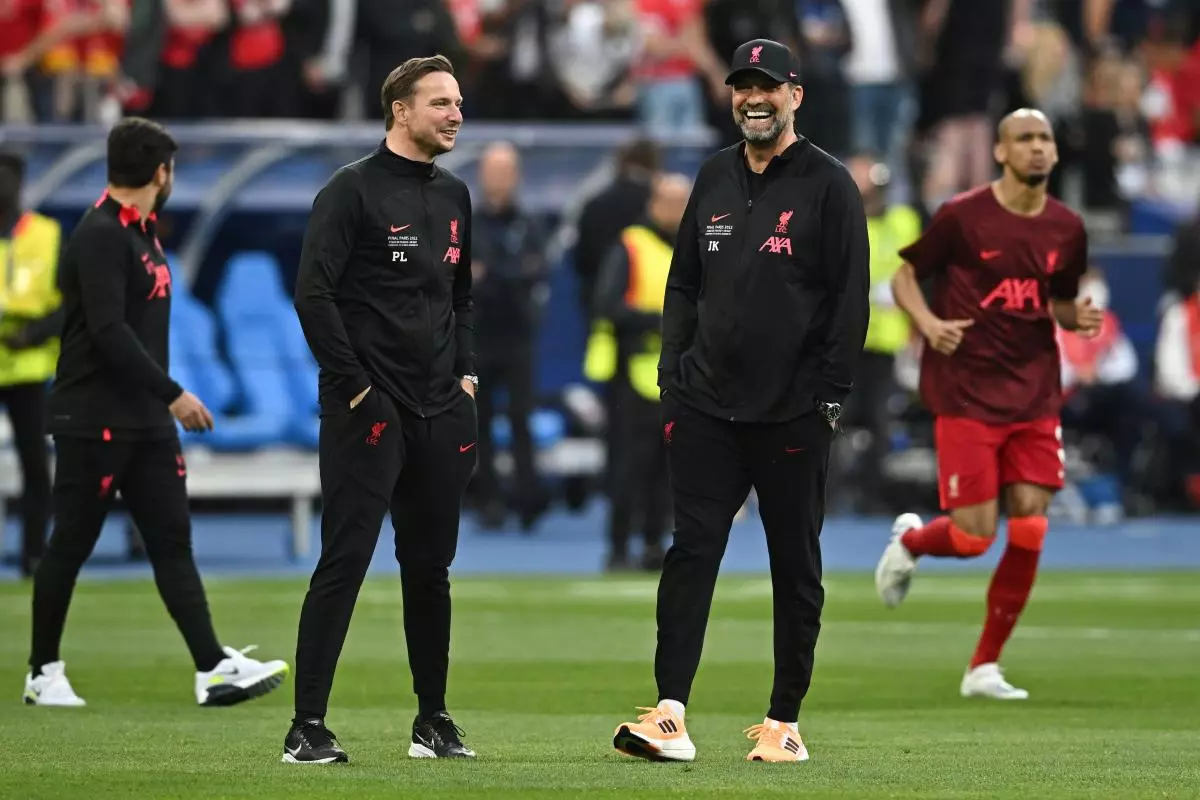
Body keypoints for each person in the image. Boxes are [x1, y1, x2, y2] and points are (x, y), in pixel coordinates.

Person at [611, 38, 870, 764]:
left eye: (767, 88)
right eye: (741, 88)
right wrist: (671, 375)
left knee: (796, 562)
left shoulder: (829, 184)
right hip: (705, 407)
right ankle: (669, 716)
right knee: (691, 552)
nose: (753, 100)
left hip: (793, 411)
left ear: (795, 96)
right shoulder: (714, 176)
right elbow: (684, 284)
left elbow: (850, 301)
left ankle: (784, 723)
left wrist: (829, 395)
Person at [24, 117, 289, 708]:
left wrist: (159, 403)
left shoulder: (142, 233)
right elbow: (109, 331)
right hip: (93, 418)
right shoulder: (99, 235)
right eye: (171, 169)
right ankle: (42, 672)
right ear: (159, 172)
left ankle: (211, 667)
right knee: (70, 543)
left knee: (172, 543)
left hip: (144, 422)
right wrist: (174, 393)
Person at [874, 108, 1104, 700]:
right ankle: (912, 542)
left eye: (1044, 138)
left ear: (1054, 152)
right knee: (975, 538)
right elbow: (904, 278)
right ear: (1000, 152)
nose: (1036, 148)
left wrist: (1071, 316)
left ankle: (984, 666)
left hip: (1034, 394)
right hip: (968, 392)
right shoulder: (963, 216)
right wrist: (926, 322)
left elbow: (1055, 300)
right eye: (1023, 139)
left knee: (1029, 522)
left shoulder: (1067, 227)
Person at [287, 54, 478, 765]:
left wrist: (466, 376)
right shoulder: (351, 192)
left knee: (430, 568)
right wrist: (357, 385)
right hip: (367, 408)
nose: (455, 114)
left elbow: (461, 300)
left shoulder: (455, 195)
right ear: (399, 109)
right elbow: (314, 295)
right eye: (440, 103)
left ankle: (432, 720)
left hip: (440, 407)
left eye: (458, 103)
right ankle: (306, 727)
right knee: (345, 561)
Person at [585, 172, 692, 572]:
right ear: (653, 203)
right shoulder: (631, 246)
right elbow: (607, 304)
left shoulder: (691, 249)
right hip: (632, 372)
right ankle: (616, 548)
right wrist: (656, 321)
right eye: (669, 200)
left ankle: (652, 545)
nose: (677, 210)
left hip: (675, 377)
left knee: (665, 469)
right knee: (629, 465)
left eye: (683, 202)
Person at [468, 141, 549, 531]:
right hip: (479, 337)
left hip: (518, 335)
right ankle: (488, 501)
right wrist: (510, 275)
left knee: (521, 419)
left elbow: (537, 269)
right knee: (477, 422)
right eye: (492, 171)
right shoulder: (468, 223)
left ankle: (528, 500)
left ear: (515, 177)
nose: (498, 180)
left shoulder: (529, 223)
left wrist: (494, 275)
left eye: (505, 172)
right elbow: (467, 277)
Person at [0, 149, 60, 579]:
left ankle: (34, 556)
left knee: (35, 466)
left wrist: (36, 331)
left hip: (29, 367)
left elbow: (72, 299)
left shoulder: (48, 234)